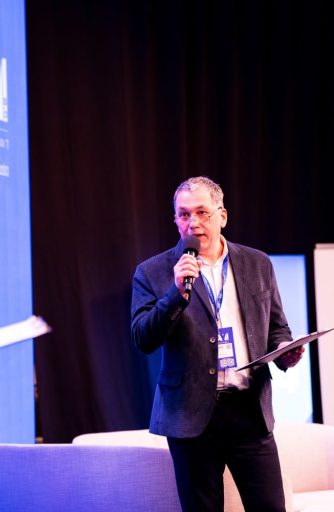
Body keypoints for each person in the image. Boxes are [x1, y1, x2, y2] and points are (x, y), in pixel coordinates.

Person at [131, 176, 304, 511]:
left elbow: (277, 327)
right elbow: (143, 338)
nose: (193, 222)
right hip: (191, 417)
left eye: (202, 212)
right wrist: (176, 293)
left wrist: (286, 352)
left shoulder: (257, 263)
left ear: (222, 215)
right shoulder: (154, 272)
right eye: (184, 214)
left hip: (249, 412)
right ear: (175, 220)